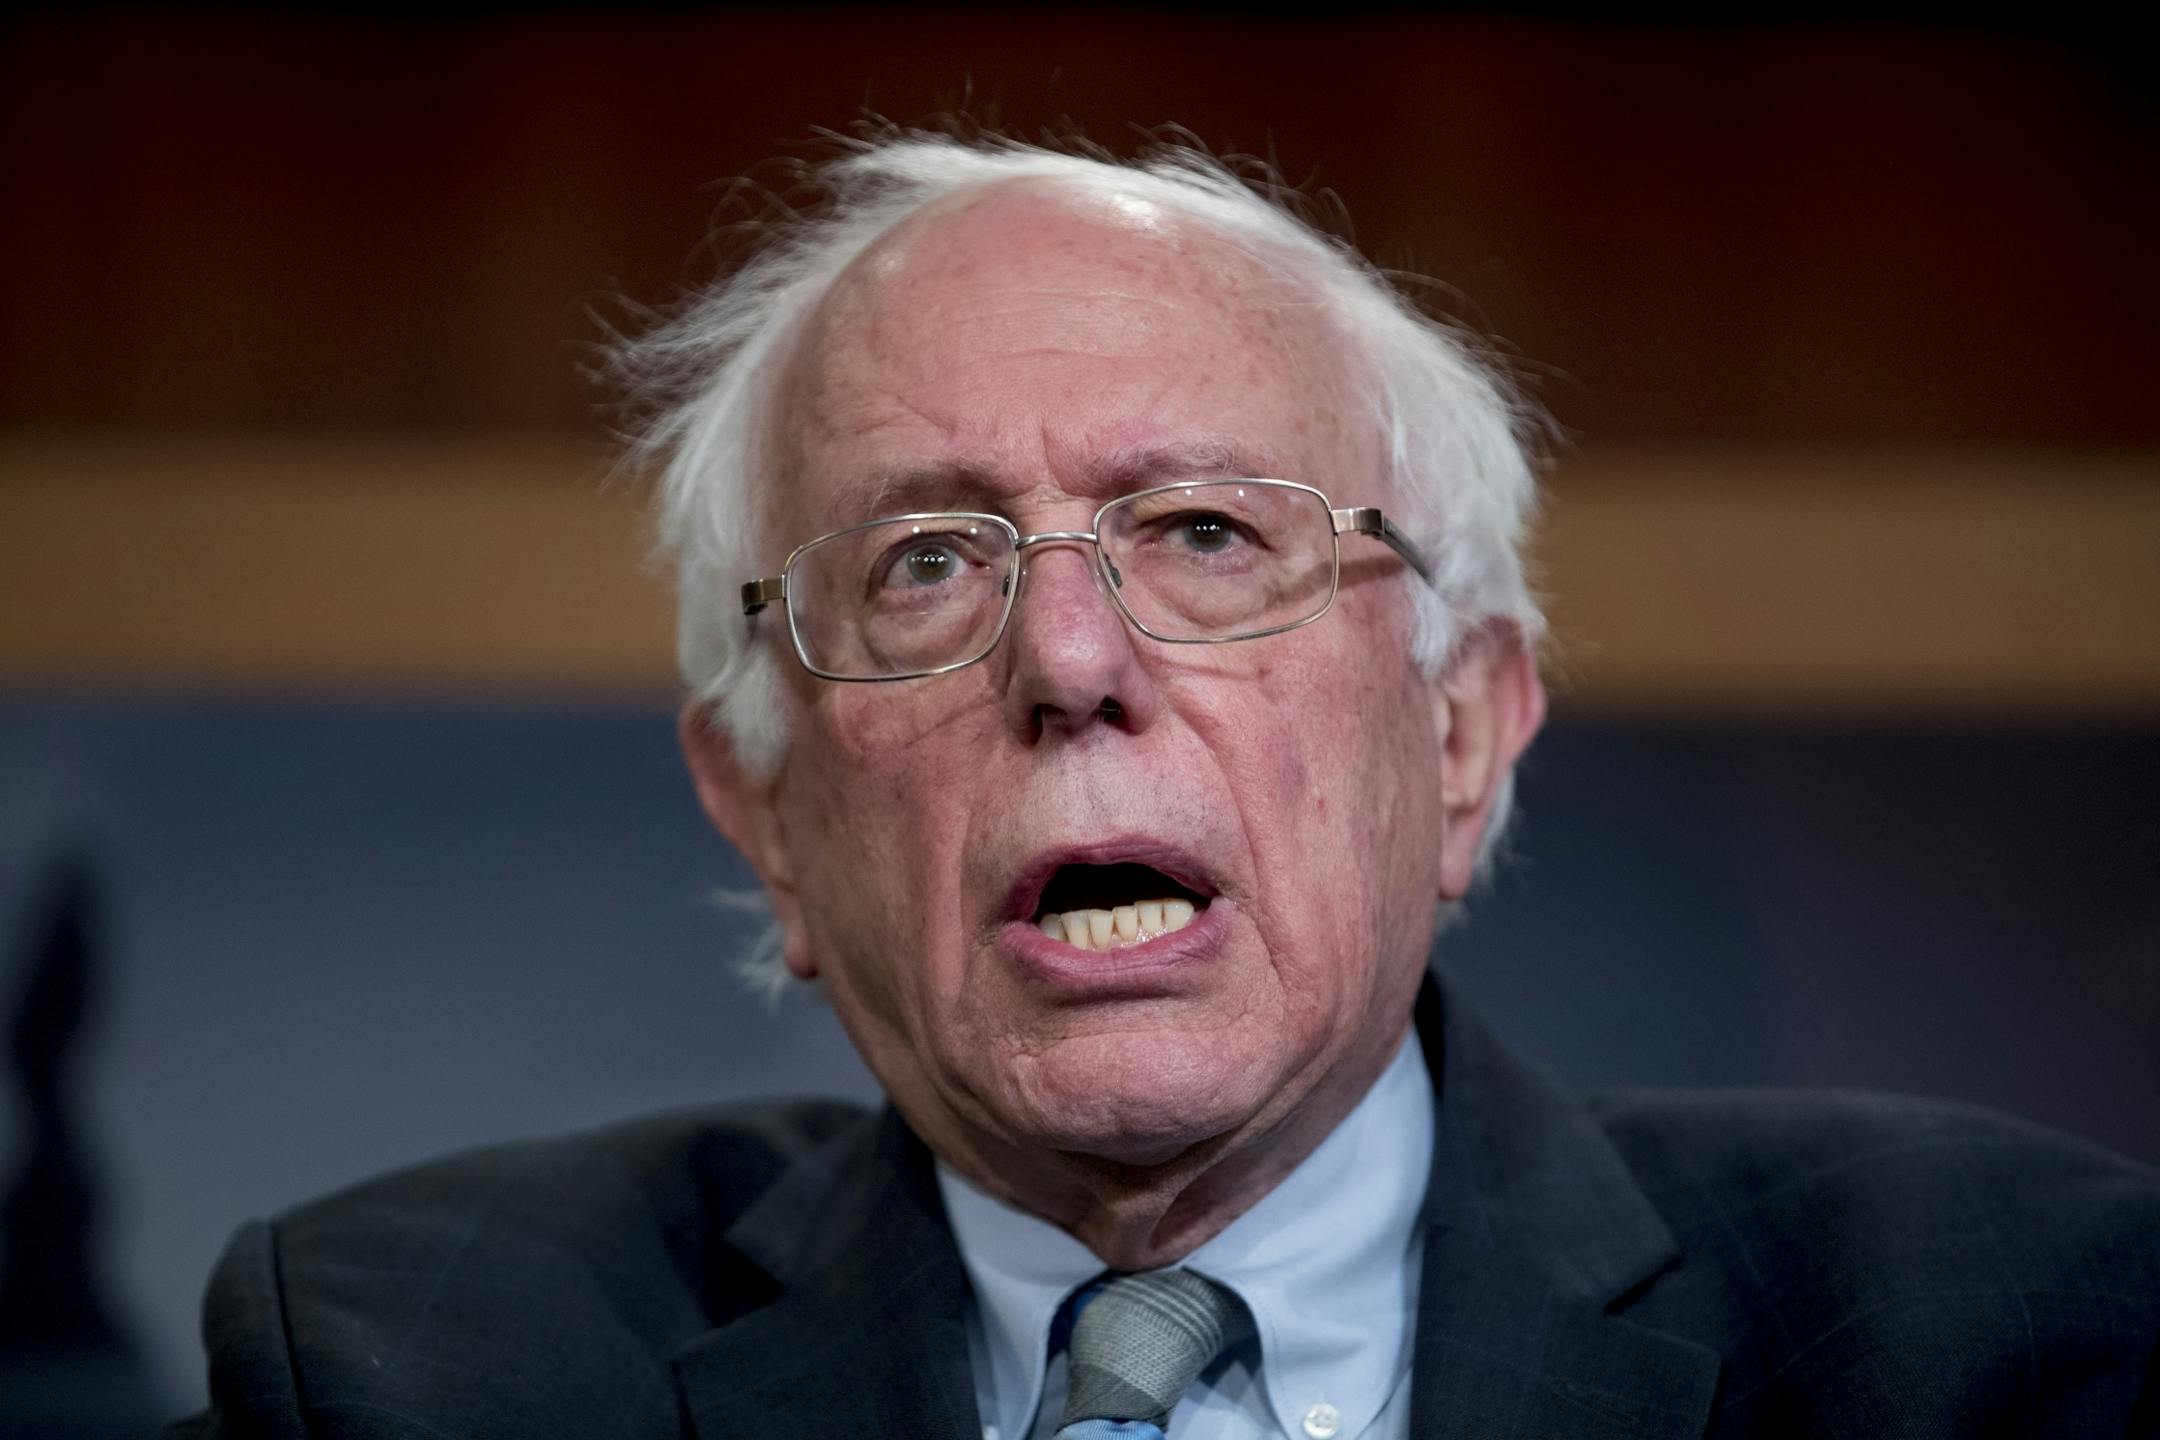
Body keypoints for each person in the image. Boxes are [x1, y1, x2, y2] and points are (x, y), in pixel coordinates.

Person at [172, 132, 2158, 1438]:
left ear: (1459, 732)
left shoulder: (2000, 1334)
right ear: (765, 811)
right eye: (924, 565)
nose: (1067, 662)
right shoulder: (404, 1372)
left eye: (1206, 532)